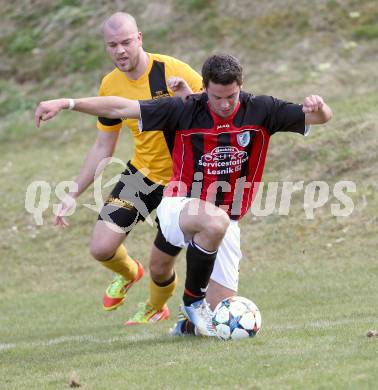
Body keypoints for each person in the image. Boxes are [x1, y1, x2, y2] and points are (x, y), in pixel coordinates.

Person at [35, 54, 332, 336]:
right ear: (205, 89)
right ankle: (192, 304)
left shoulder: (262, 109)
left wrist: (318, 108)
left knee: (220, 316)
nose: (226, 104)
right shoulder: (184, 108)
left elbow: (321, 118)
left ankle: (187, 326)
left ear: (240, 86)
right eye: (217, 97)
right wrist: (67, 102)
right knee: (212, 223)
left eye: (232, 96)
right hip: (179, 205)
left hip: (226, 220)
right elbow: (120, 108)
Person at [42, 12, 241, 327]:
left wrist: (186, 98)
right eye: (112, 45)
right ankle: (129, 272)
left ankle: (154, 306)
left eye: (125, 42)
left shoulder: (173, 70)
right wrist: (72, 193)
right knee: (101, 247)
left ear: (139, 39)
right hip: (142, 175)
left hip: (182, 182)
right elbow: (102, 147)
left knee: (161, 266)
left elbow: (220, 111)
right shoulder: (110, 84)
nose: (120, 50)